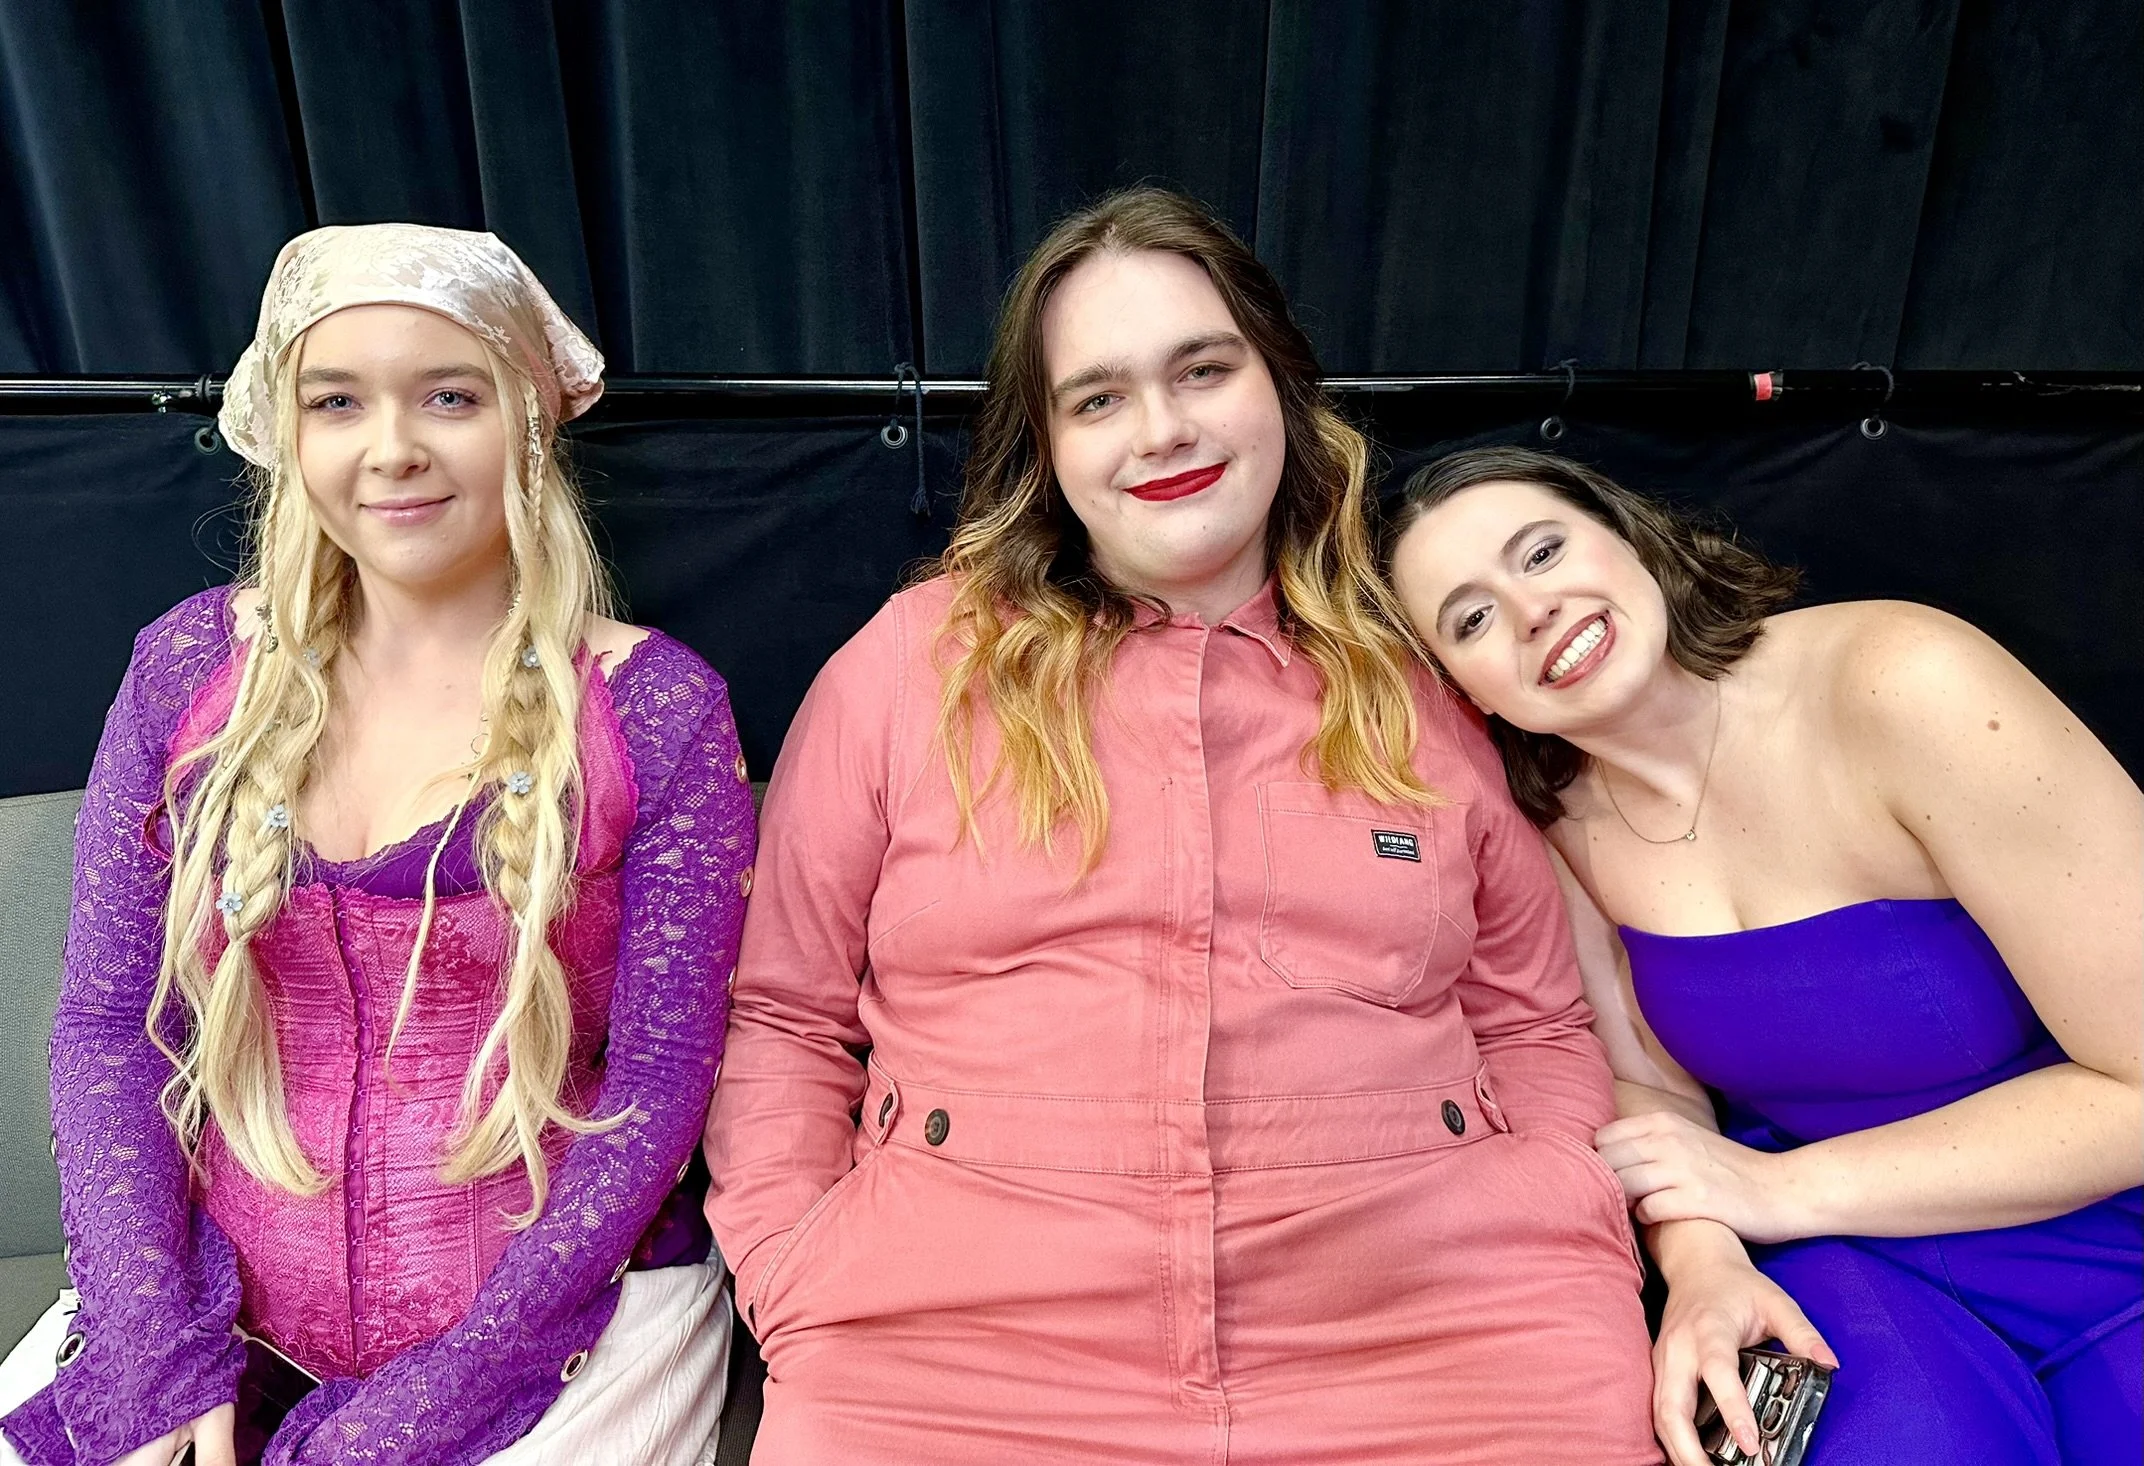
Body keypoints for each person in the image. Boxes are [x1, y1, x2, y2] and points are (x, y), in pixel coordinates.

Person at [700, 189, 1657, 1465]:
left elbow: (1530, 1016)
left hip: (1446, 1337)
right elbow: (782, 1013)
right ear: (1045, 445)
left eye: (1202, 369)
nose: (1162, 430)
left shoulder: (1419, 679)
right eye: (1097, 398)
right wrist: (792, 1268)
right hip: (949, 1352)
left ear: (1281, 386)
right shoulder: (906, 668)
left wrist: (1565, 1217)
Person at [0, 225, 755, 1466]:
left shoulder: (656, 710)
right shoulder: (188, 669)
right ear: (287, 431)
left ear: (527, 421)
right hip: (208, 1299)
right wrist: (149, 1346)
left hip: (549, 1317)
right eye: (337, 401)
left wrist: (438, 1395)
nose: (391, 446)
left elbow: (656, 1087)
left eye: (448, 396)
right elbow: (107, 1025)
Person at [1381, 445, 2143, 1466]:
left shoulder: (1903, 678)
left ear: (1628, 533)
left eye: (1543, 551)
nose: (1533, 611)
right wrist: (1702, 1264)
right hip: (1857, 1270)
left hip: (2100, 1222)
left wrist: (1779, 1190)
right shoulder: (1549, 823)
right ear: (1460, 691)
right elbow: (1652, 1095)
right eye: (1470, 618)